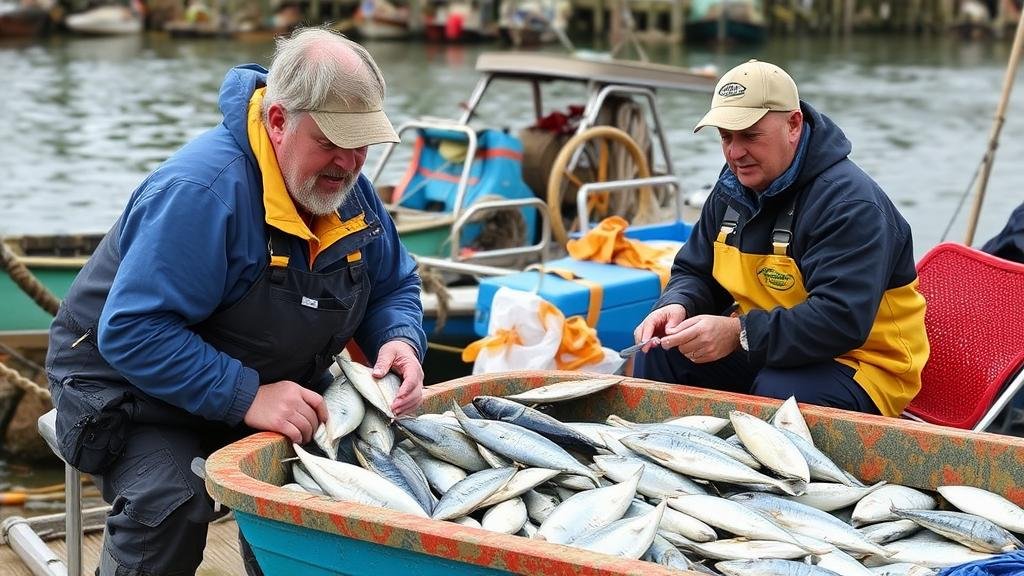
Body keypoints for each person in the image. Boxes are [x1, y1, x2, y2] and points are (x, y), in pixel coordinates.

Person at [45, 27, 426, 576]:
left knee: (323, 493)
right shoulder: (202, 193)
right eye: (330, 142)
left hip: (266, 379)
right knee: (171, 502)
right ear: (278, 121)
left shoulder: (349, 193)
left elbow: (394, 285)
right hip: (129, 387)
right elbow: (132, 330)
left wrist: (399, 340)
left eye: (361, 143)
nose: (348, 163)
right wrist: (246, 395)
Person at [632, 59, 929, 417]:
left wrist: (736, 332)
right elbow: (695, 271)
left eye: (749, 136)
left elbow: (840, 320)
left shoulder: (850, 204)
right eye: (725, 137)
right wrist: (675, 305)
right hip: (766, 345)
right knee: (659, 354)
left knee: (781, 393)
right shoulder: (731, 187)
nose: (734, 153)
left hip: (860, 364)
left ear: (793, 124)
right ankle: (668, 458)